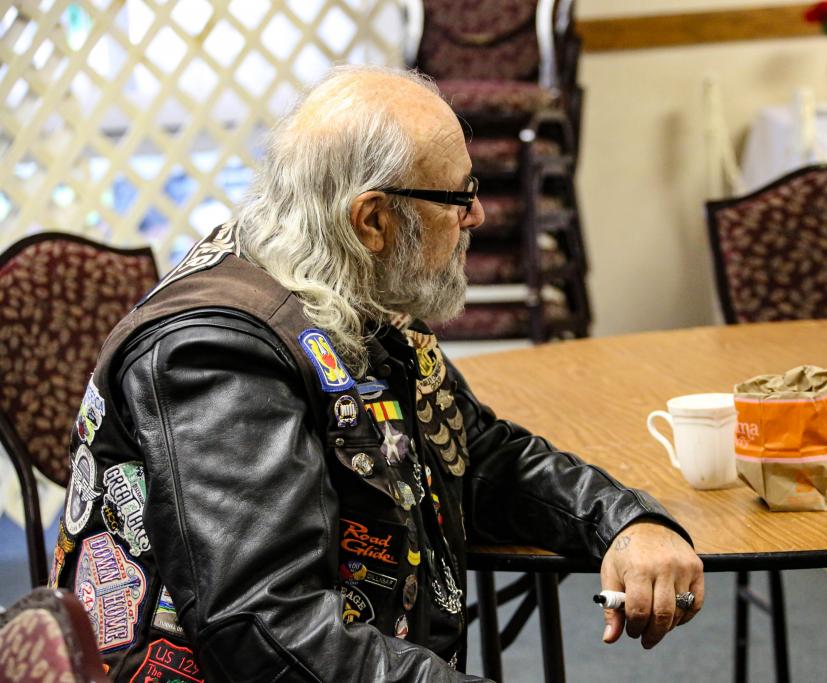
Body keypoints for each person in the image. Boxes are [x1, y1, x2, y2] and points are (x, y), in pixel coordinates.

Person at [53, 65, 703, 682]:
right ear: (372, 220)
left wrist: (624, 519)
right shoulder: (216, 352)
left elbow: (474, 453)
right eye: (458, 196)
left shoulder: (350, 284)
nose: (477, 215)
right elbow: (265, 630)